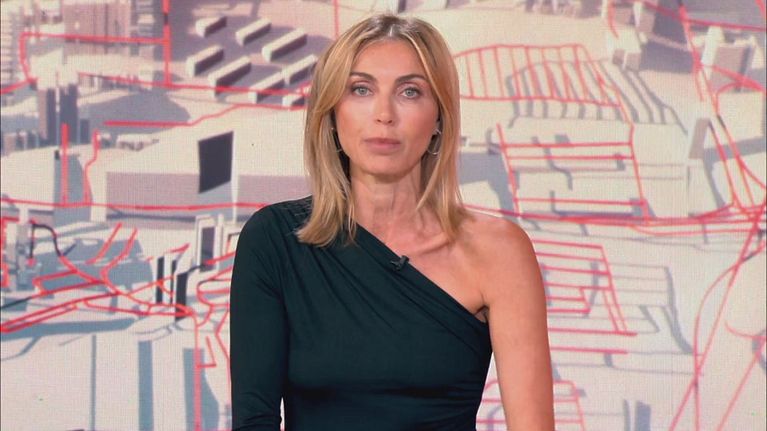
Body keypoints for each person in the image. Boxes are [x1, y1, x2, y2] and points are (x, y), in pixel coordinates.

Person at [230, 13, 554, 431]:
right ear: (332, 113)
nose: (384, 114)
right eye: (361, 89)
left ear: (439, 119)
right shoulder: (275, 240)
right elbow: (253, 420)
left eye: (410, 92)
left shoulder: (498, 251)